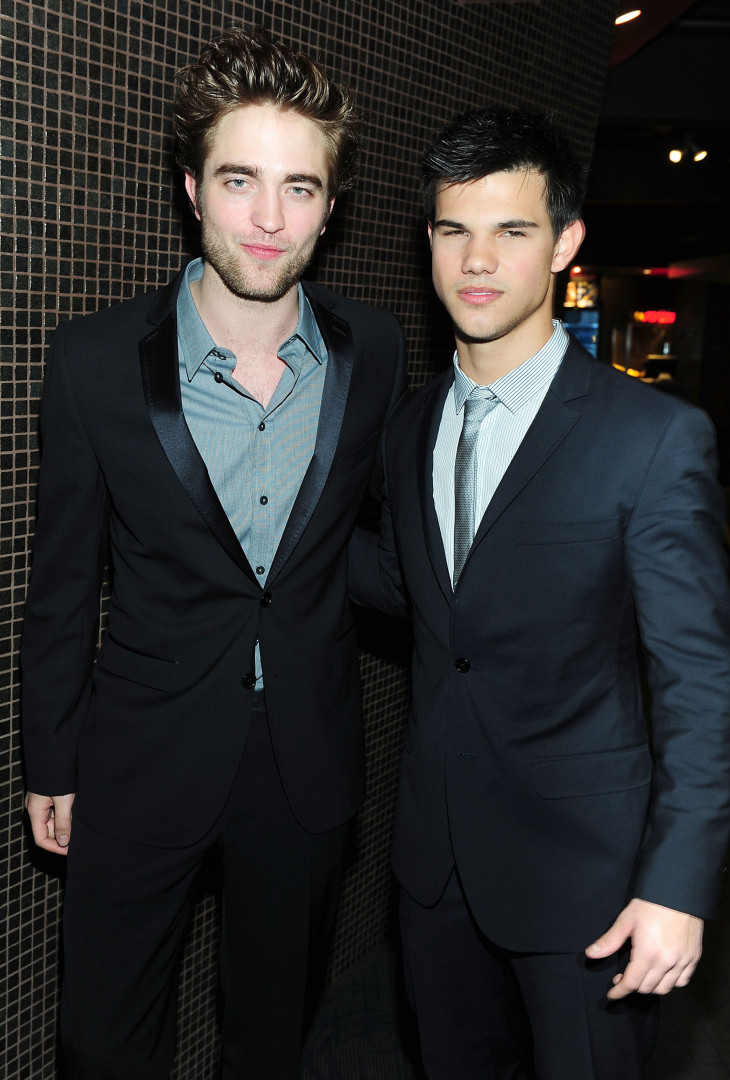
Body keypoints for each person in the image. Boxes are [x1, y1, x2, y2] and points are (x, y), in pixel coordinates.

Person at [22, 26, 405, 1080]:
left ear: (331, 205)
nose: (269, 218)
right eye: (241, 181)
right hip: (139, 751)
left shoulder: (374, 351)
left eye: (299, 187)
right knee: (102, 1042)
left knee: (272, 1041)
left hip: (305, 756)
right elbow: (62, 584)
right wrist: (49, 758)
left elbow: (372, 535)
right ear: (193, 190)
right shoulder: (94, 360)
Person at [350, 106, 730, 1079]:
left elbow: (698, 685)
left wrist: (677, 887)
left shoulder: (651, 439)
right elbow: (410, 589)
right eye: (454, 230)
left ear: (564, 244)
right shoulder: (406, 428)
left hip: (589, 885)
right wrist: (259, 537)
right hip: (434, 870)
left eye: (511, 231)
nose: (477, 261)